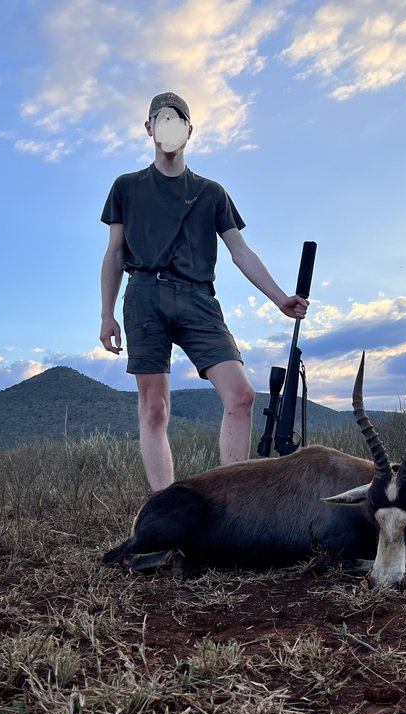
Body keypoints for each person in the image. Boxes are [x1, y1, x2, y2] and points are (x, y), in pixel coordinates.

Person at [99, 92, 308, 491]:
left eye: (178, 122)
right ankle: (167, 506)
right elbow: (114, 253)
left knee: (242, 396)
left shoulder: (211, 192)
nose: (169, 129)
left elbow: (240, 251)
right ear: (148, 128)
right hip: (144, 293)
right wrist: (107, 314)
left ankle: (232, 503)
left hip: (198, 299)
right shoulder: (126, 187)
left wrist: (280, 297)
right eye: (161, 121)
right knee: (155, 409)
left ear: (190, 131)